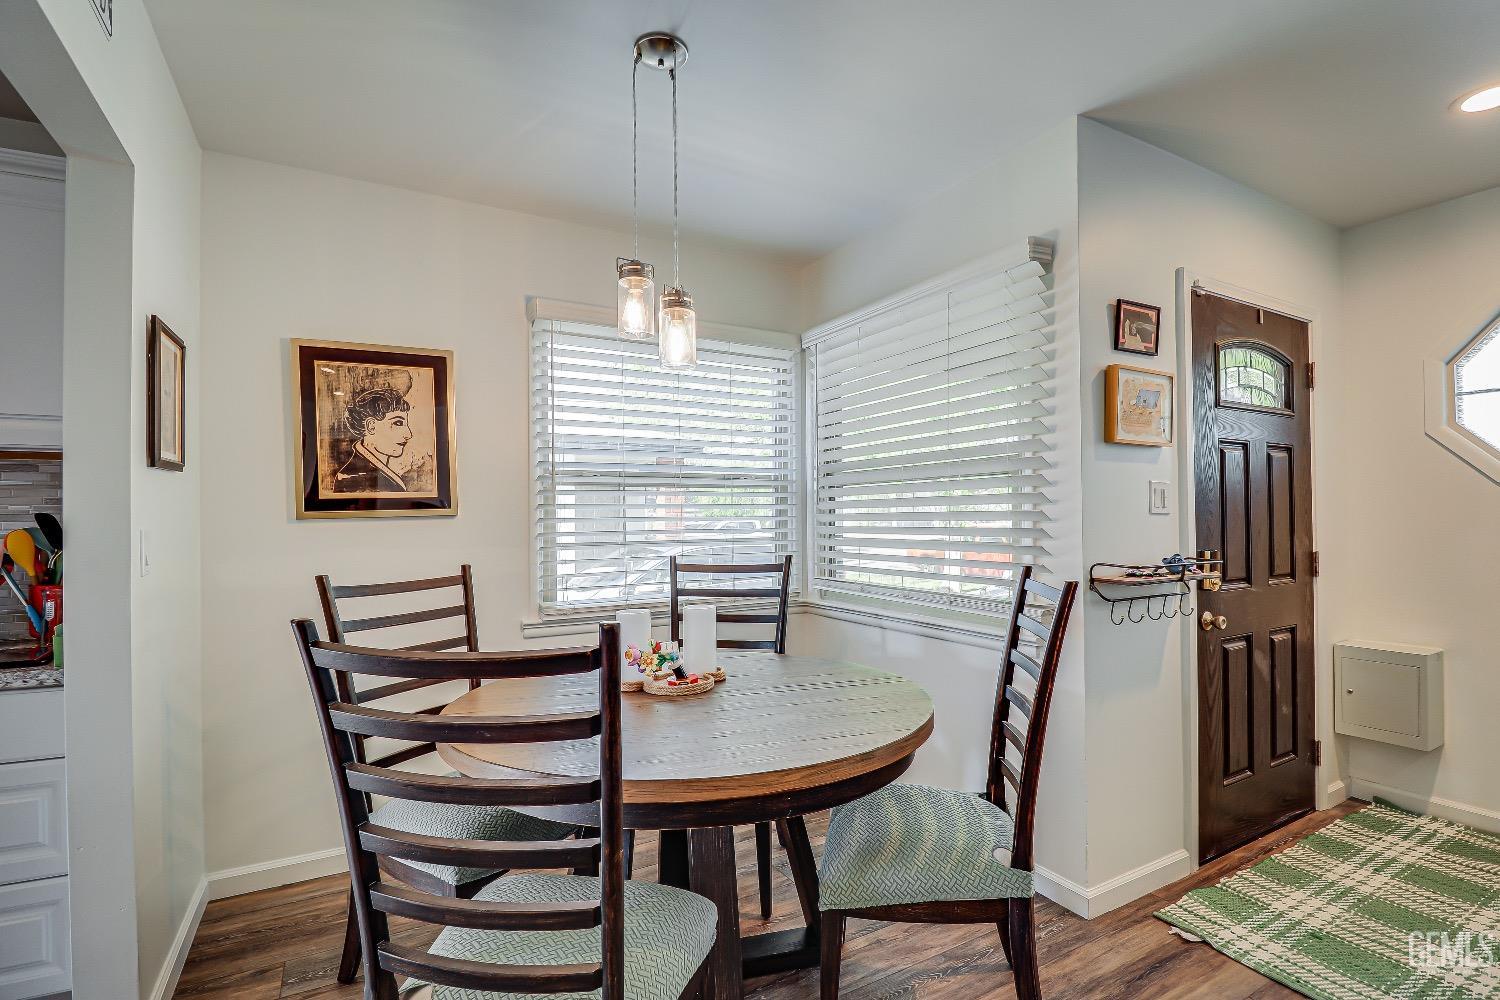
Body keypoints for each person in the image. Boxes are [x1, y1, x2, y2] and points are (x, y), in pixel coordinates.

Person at [334, 374, 413, 493]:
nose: (409, 434)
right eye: (397, 423)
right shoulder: (353, 479)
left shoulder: (372, 472)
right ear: (371, 426)